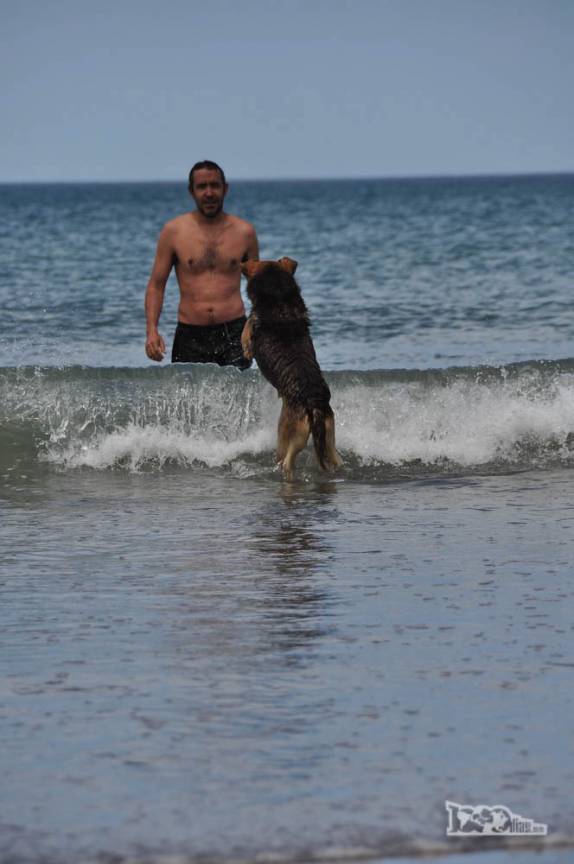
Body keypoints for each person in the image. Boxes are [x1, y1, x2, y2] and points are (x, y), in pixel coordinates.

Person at [144, 160, 259, 368]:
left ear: (225, 189)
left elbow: (258, 287)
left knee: (241, 399)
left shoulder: (245, 232)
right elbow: (156, 285)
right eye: (201, 187)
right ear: (191, 191)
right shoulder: (173, 232)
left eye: (215, 185)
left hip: (234, 333)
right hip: (190, 335)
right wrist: (152, 331)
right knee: (184, 401)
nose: (209, 193)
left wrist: (255, 326)